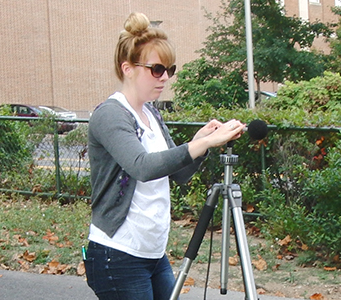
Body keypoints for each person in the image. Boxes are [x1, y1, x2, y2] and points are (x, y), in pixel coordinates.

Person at [83, 12, 246, 300]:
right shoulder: (110, 114)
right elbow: (142, 166)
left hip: (152, 254)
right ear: (128, 68)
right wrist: (204, 142)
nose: (166, 77)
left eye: (170, 69)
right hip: (118, 254)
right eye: (156, 69)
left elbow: (179, 173)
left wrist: (201, 143)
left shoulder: (150, 113)